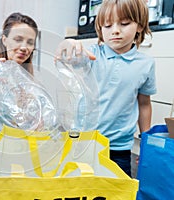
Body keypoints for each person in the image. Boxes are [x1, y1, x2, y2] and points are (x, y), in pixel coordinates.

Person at [55, 0, 156, 176]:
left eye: (124, 23)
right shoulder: (92, 55)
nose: (115, 30)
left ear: (139, 26)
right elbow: (69, 57)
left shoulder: (146, 65)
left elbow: (144, 103)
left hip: (119, 147)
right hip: (85, 142)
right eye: (107, 25)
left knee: (115, 191)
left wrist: (145, 141)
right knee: (79, 188)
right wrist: (68, 44)